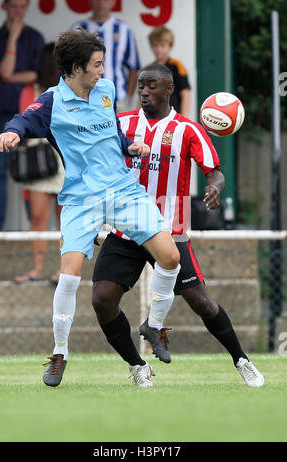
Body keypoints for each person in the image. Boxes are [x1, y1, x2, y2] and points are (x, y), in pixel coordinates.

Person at [0, 29, 181, 389]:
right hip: (81, 199)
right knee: (69, 275)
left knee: (171, 257)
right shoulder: (52, 102)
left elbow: (112, 134)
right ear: (76, 67)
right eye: (97, 64)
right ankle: (60, 353)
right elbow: (23, 119)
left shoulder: (107, 91)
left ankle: (153, 325)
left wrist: (130, 148)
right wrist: (12, 132)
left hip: (124, 190)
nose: (103, 70)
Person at [91, 64, 265, 388]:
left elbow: (213, 171)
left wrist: (214, 186)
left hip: (169, 228)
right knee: (102, 300)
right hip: (126, 228)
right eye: (141, 86)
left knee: (201, 302)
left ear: (169, 89)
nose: (144, 91)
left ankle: (242, 360)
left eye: (152, 86)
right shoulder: (123, 124)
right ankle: (137, 365)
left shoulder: (188, 129)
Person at [0, 0, 45, 231]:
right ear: (4, 6)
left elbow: (36, 74)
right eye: (14, 7)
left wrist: (6, 78)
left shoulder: (34, 37)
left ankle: (35, 225)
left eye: (22, 7)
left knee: (34, 168)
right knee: (0, 168)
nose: (17, 12)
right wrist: (12, 38)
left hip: (28, 110)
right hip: (0, 110)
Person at [13, 42, 65, 284]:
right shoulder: (30, 89)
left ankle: (64, 270)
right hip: (39, 160)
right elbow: (26, 121)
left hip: (65, 158)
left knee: (66, 218)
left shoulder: (69, 89)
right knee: (38, 217)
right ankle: (37, 268)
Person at [70, 0, 140, 111]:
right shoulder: (77, 30)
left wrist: (127, 97)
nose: (101, 2)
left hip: (118, 101)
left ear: (113, 1)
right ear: (90, 0)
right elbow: (70, 66)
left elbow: (133, 67)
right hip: (85, 101)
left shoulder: (124, 29)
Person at [147, 26, 191, 117]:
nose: (159, 50)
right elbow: (143, 95)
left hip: (173, 118)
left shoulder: (177, 66)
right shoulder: (147, 69)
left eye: (163, 45)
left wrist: (184, 119)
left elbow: (186, 94)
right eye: (155, 45)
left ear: (170, 46)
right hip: (152, 119)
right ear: (151, 46)